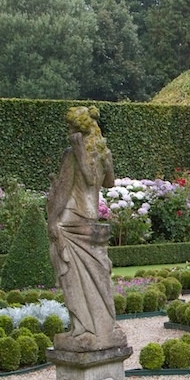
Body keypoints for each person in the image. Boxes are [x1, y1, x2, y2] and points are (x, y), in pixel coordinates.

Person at [47, 106, 127, 353]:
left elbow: (64, 189)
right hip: (91, 220)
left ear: (77, 131)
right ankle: (104, 328)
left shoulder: (73, 153)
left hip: (71, 221)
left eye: (70, 128)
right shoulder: (103, 152)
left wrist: (51, 219)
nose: (69, 132)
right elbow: (109, 181)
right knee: (100, 274)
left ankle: (83, 329)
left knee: (71, 273)